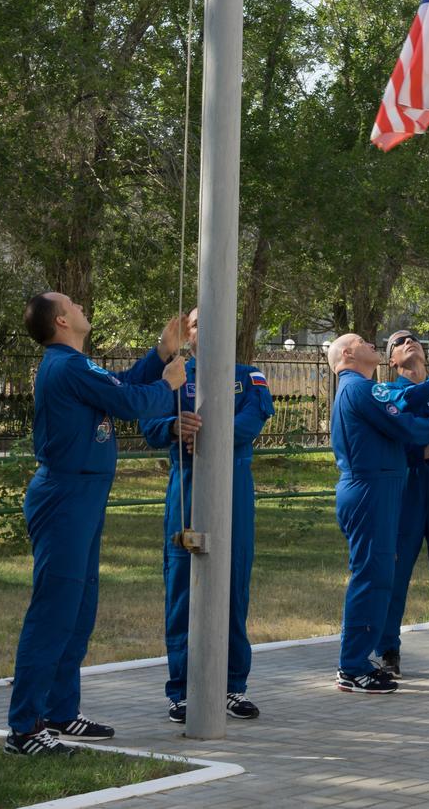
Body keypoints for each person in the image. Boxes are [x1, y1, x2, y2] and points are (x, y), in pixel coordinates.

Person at [5, 294, 187, 757]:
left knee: (79, 610)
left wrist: (161, 354)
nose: (82, 304)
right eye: (72, 303)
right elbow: (129, 403)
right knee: (53, 613)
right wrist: (167, 384)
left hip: (82, 496)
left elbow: (119, 385)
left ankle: (61, 712)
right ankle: (24, 729)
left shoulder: (76, 364)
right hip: (65, 496)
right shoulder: (65, 365)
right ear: (62, 320)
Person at [140, 308, 274, 723]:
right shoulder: (174, 375)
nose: (204, 329)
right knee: (183, 587)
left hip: (234, 489)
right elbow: (150, 425)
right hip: (189, 486)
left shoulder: (249, 375)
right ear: (189, 333)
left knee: (234, 587)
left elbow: (252, 421)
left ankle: (232, 685)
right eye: (196, 323)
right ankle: (182, 691)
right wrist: (172, 426)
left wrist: (211, 430)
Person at [329, 332, 429, 694]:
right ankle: (357, 663)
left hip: (384, 486)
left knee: (378, 576)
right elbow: (401, 424)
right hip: (375, 488)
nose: (370, 343)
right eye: (363, 341)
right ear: (347, 353)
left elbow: (398, 414)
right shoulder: (363, 388)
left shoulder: (361, 388)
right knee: (374, 576)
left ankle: (358, 663)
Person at [375, 330, 429, 680]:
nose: (407, 342)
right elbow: (400, 423)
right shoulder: (388, 391)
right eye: (397, 343)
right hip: (407, 484)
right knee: (395, 572)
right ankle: (387, 649)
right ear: (392, 361)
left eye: (412, 339)